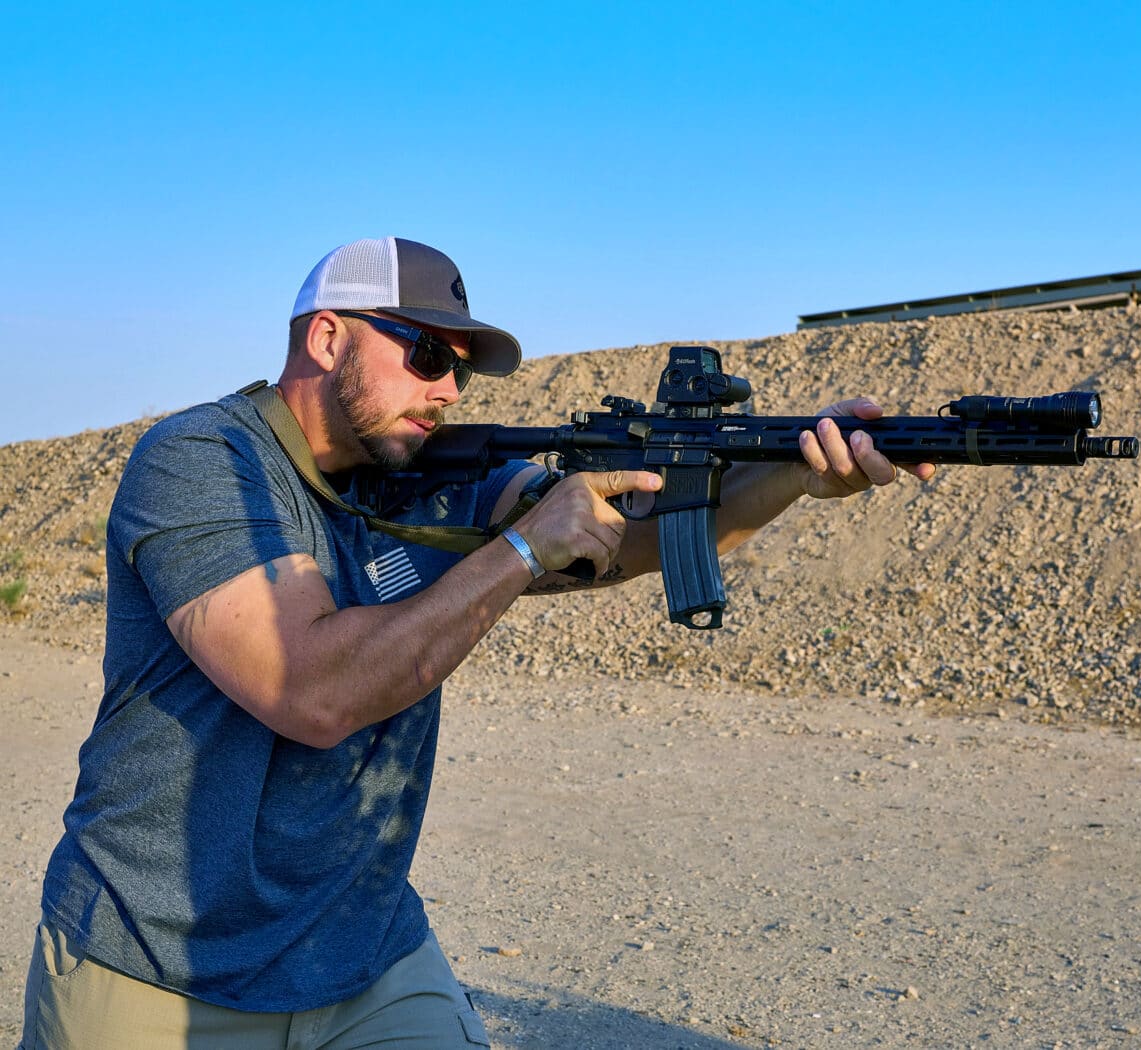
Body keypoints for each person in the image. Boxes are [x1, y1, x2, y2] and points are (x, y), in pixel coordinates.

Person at [21, 236, 935, 1049]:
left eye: (461, 367)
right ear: (327, 338)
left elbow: (625, 539)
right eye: (423, 353)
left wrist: (794, 477)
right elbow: (311, 691)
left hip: (363, 951)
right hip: (157, 963)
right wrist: (525, 547)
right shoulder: (201, 463)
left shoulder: (426, 467)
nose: (448, 388)